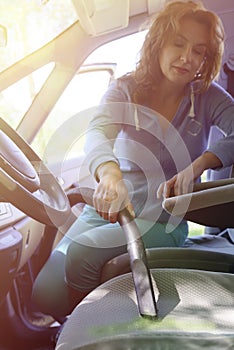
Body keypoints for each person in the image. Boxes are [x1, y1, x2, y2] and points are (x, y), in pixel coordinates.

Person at [32, 0, 234, 319]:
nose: (187, 58)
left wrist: (198, 166)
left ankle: (92, 328)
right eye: (178, 44)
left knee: (83, 254)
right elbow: (98, 131)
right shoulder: (125, 89)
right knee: (45, 292)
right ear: (158, 44)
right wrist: (110, 175)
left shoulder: (209, 97)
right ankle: (73, 325)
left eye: (199, 51)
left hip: (163, 217)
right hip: (110, 207)